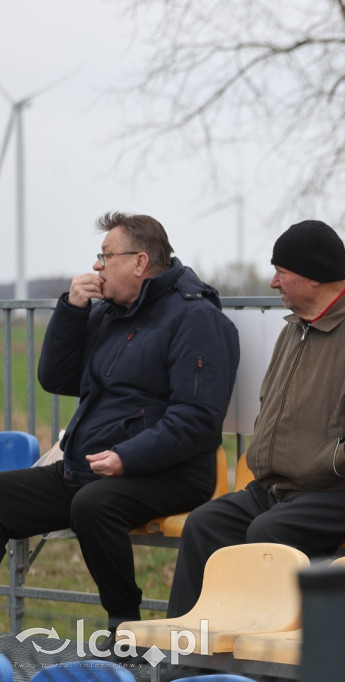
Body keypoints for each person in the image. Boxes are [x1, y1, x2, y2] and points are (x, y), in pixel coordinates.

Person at [0, 211, 240, 638]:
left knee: (93, 505)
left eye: (105, 255)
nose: (97, 266)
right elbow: (56, 378)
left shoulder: (196, 319)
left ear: (140, 262)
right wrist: (72, 311)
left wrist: (127, 458)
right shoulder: (108, 314)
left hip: (172, 472)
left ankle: (123, 631)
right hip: (89, 467)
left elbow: (198, 420)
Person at [166, 219, 345, 617]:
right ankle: (186, 661)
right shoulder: (294, 330)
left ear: (314, 278)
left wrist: (328, 461)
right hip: (283, 490)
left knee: (269, 534)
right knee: (205, 524)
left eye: (281, 272)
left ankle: (271, 663)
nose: (273, 283)